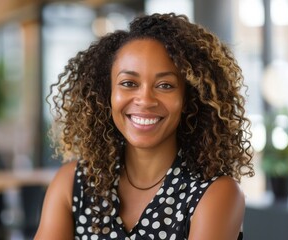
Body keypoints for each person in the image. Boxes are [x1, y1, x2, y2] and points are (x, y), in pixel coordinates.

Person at [34, 13, 254, 240]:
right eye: (129, 83)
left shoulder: (216, 193)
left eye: (165, 85)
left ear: (189, 99)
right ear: (106, 93)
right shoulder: (72, 184)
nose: (145, 100)